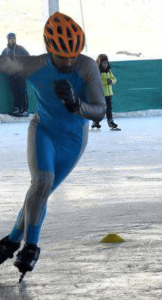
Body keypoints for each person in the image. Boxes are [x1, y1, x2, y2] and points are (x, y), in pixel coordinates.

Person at [0, 12, 106, 281]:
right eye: (62, 56)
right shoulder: (33, 65)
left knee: (41, 191)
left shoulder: (87, 68)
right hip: (43, 130)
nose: (69, 61)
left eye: (74, 55)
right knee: (41, 183)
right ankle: (31, 246)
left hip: (73, 138)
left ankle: (11, 241)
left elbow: (100, 112)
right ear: (49, 49)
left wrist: (76, 105)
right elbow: (4, 63)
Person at [1, 33, 30, 117]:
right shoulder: (5, 51)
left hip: (20, 74)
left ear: (15, 39)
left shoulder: (21, 49)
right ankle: (17, 108)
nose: (12, 40)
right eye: (10, 38)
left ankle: (25, 109)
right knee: (15, 91)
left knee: (22, 91)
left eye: (13, 38)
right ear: (7, 39)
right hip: (11, 75)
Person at [91, 54, 120, 130]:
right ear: (100, 63)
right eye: (104, 63)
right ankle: (95, 122)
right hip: (100, 94)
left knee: (109, 109)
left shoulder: (109, 71)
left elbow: (114, 79)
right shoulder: (97, 71)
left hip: (109, 94)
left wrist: (111, 81)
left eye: (106, 63)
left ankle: (110, 122)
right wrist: (106, 82)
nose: (105, 64)